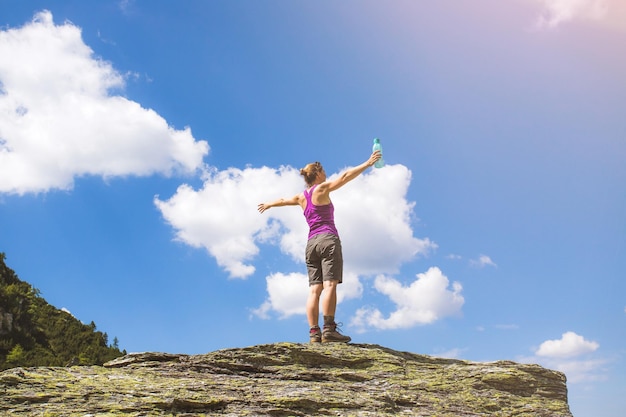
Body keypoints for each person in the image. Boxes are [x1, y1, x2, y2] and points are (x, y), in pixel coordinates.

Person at [257, 150, 382, 343]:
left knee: (315, 290)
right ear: (317, 175)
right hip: (327, 240)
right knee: (330, 284)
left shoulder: (301, 197)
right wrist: (367, 163)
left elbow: (283, 200)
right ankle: (329, 330)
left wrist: (269, 204)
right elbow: (345, 176)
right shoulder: (321, 189)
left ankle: (314, 333)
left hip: (311, 245)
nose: (325, 173)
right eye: (322, 170)